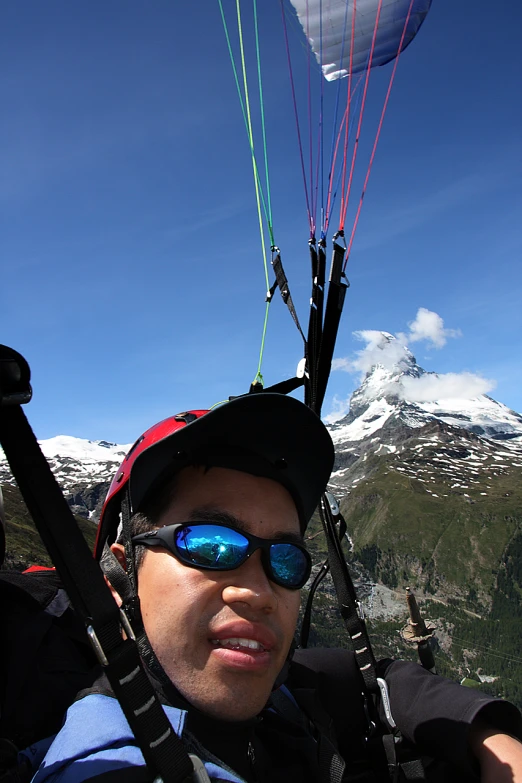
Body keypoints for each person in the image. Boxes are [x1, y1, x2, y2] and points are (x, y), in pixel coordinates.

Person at [30, 394, 522, 782]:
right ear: (119, 581)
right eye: (210, 544)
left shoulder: (285, 693)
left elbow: (380, 677)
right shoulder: (105, 762)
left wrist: (493, 741)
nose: (259, 592)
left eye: (283, 558)